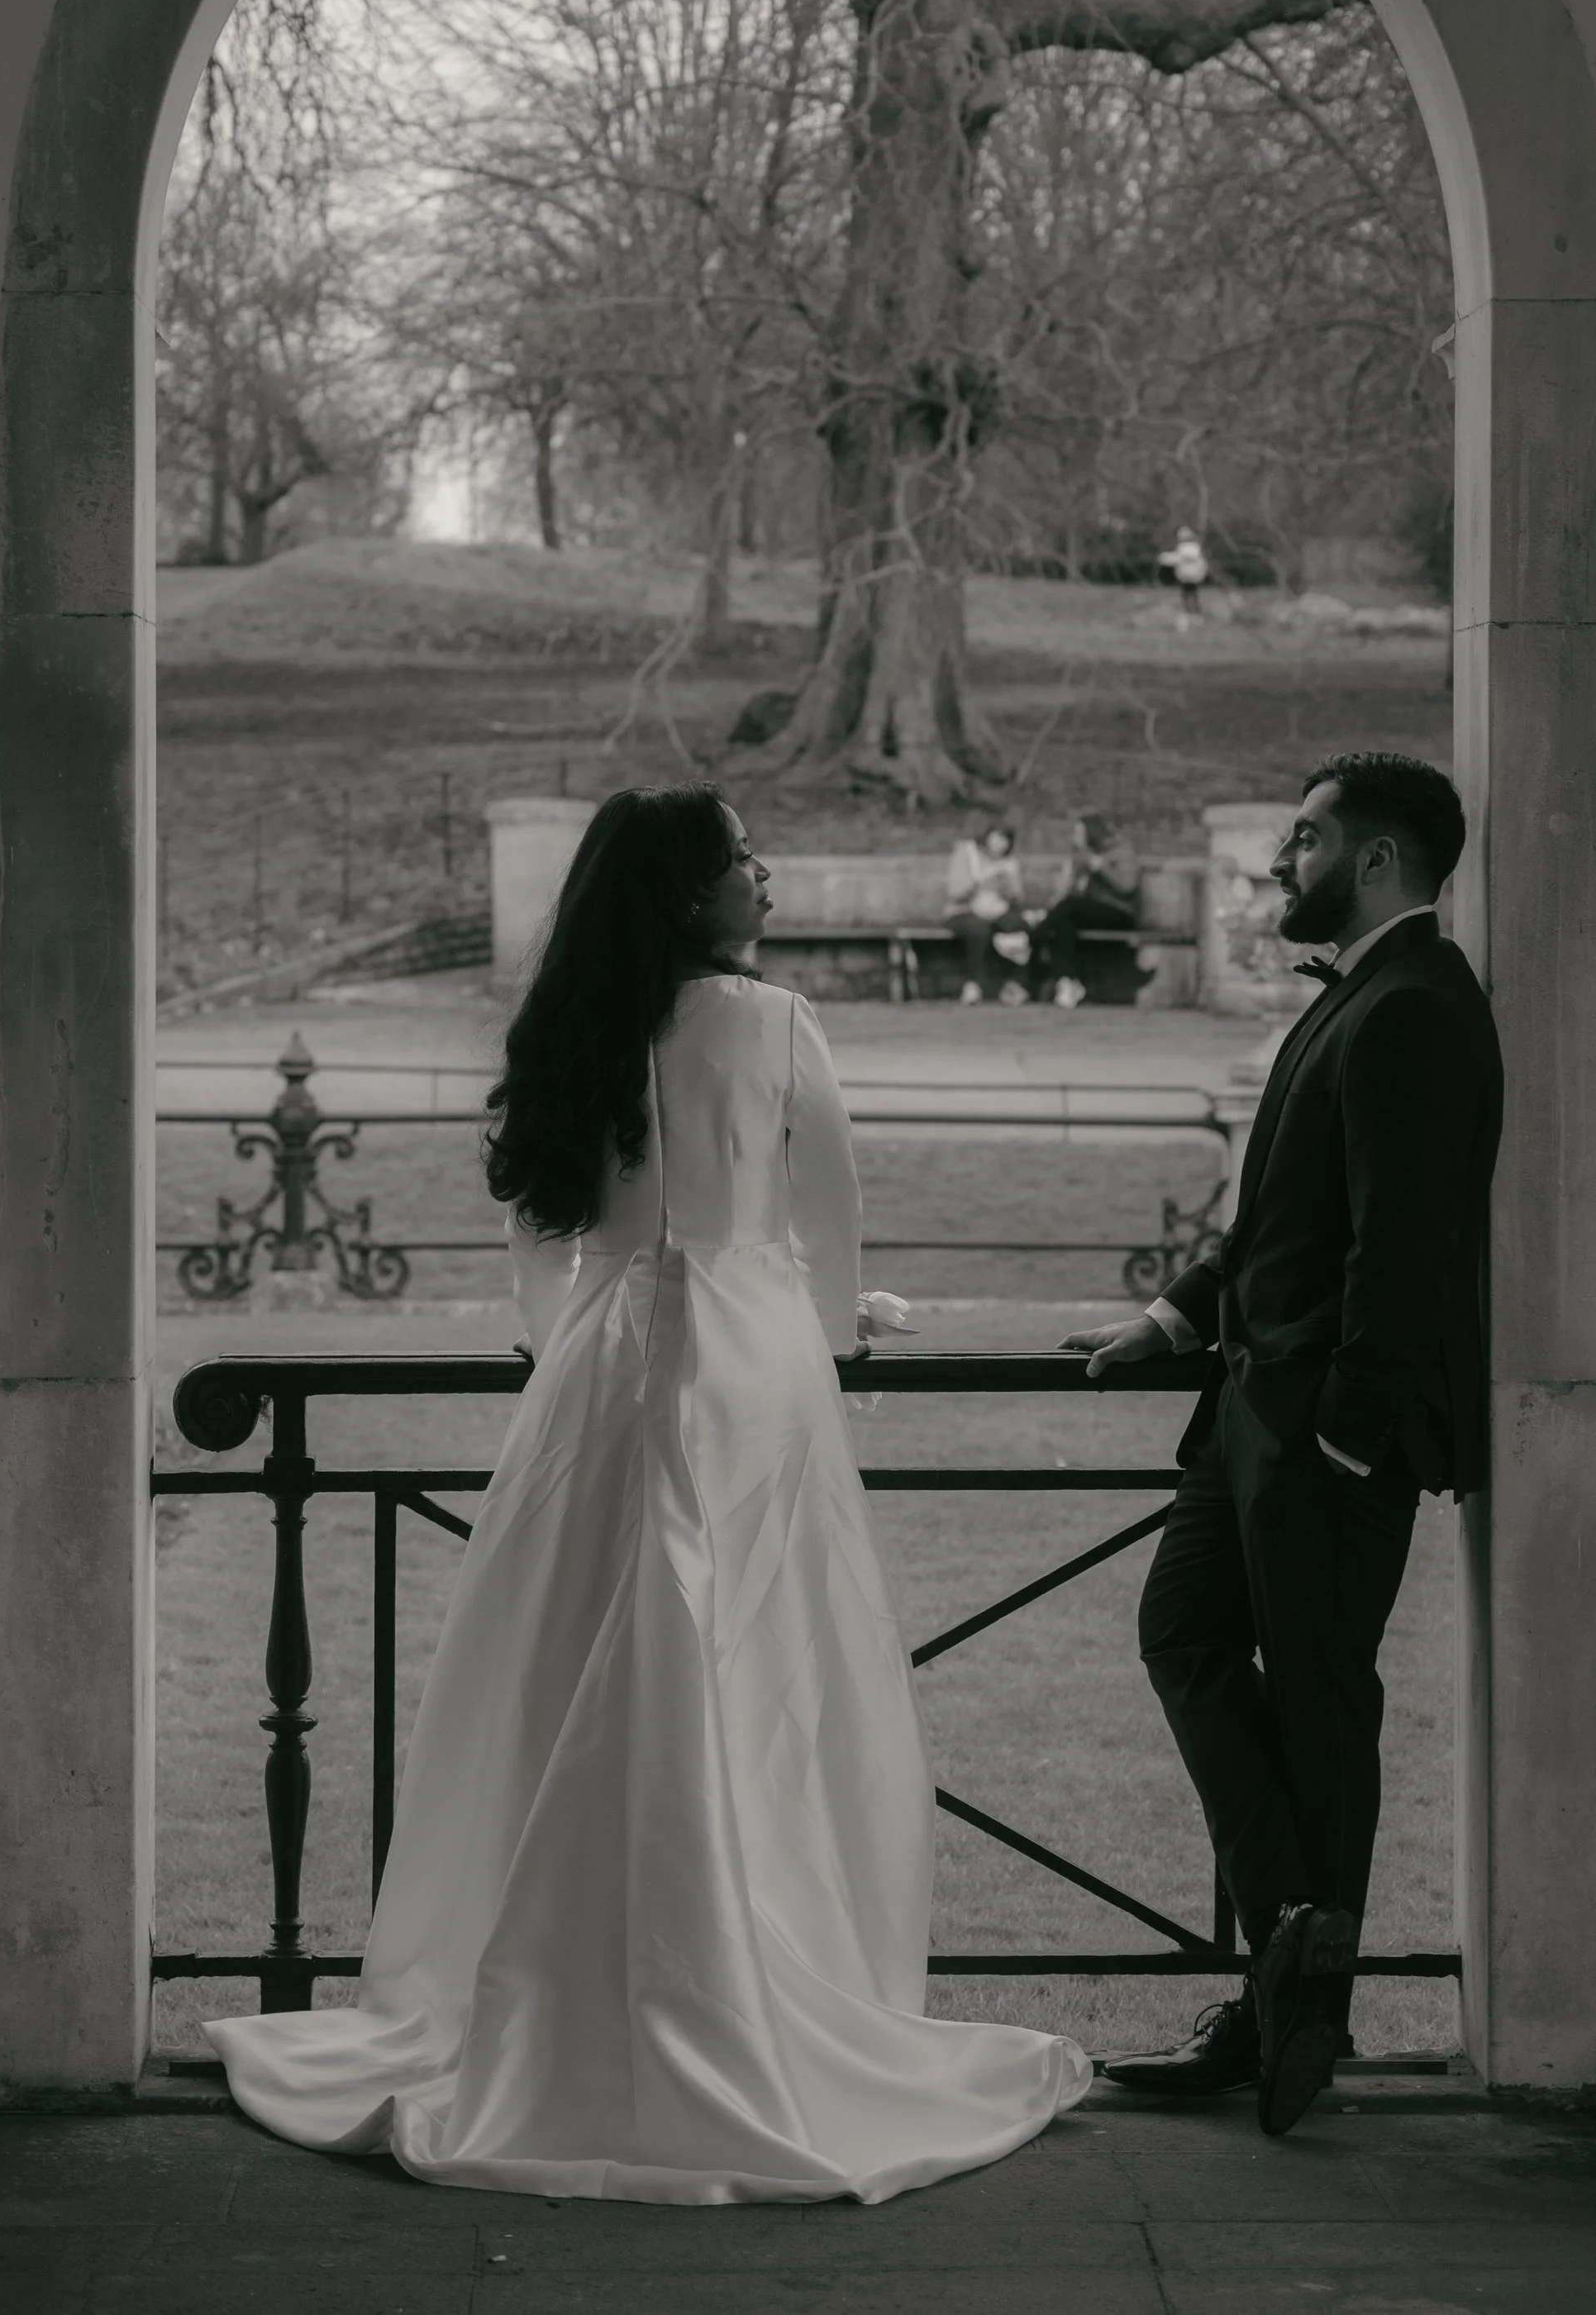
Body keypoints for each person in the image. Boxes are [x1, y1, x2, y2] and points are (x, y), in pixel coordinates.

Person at [209, 784, 1090, 2200]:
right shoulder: (774, 1024)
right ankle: (736, 1965)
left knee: (567, 1670)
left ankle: (551, 1976)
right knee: (750, 1673)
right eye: (742, 858)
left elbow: (539, 1245)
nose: (766, 874)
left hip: (602, 1370)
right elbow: (824, 1218)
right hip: (746, 1372)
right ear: (692, 894)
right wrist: (850, 1327)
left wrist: (573, 1347)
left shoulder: (572, 1027)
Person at [1064, 752, 1500, 2137]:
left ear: (1373, 860)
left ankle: (1294, 2019)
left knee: (1321, 1704)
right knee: (1182, 1633)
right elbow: (1281, 1217)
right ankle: (1293, 1939)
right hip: (1240, 1419)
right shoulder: (1365, 993)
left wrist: (1355, 1440)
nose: (1276, 863)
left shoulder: (1422, 1008)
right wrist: (1172, 1315)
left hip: (1323, 1439)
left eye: (1301, 839)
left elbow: (1406, 1246)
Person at [1031, 816, 1143, 1008]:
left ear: (1091, 834)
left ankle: (1033, 937)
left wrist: (1102, 868)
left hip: (1118, 912)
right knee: (1065, 925)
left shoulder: (1121, 853)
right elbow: (1068, 891)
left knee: (1069, 907)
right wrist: (1072, 868)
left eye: (1078, 833)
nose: (1074, 837)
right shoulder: (1082, 856)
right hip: (1089, 912)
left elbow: (1128, 886)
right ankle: (1069, 982)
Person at [946, 821, 1033, 1004]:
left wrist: (1008, 887)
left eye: (1005, 840)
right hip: (964, 911)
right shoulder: (966, 853)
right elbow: (955, 893)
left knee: (1019, 926)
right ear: (987, 836)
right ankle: (973, 984)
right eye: (997, 837)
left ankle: (1016, 984)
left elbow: (1018, 899)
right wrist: (979, 880)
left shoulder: (1009, 863)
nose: (1000, 844)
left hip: (996, 910)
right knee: (979, 929)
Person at [1160, 524, 1209, 619]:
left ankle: (1189, 608)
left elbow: (1177, 558)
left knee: (1187, 592)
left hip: (1187, 575)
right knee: (1192, 592)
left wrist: (1164, 558)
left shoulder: (1185, 548)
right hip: (1193, 575)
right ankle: (1194, 608)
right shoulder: (1196, 547)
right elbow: (1202, 563)